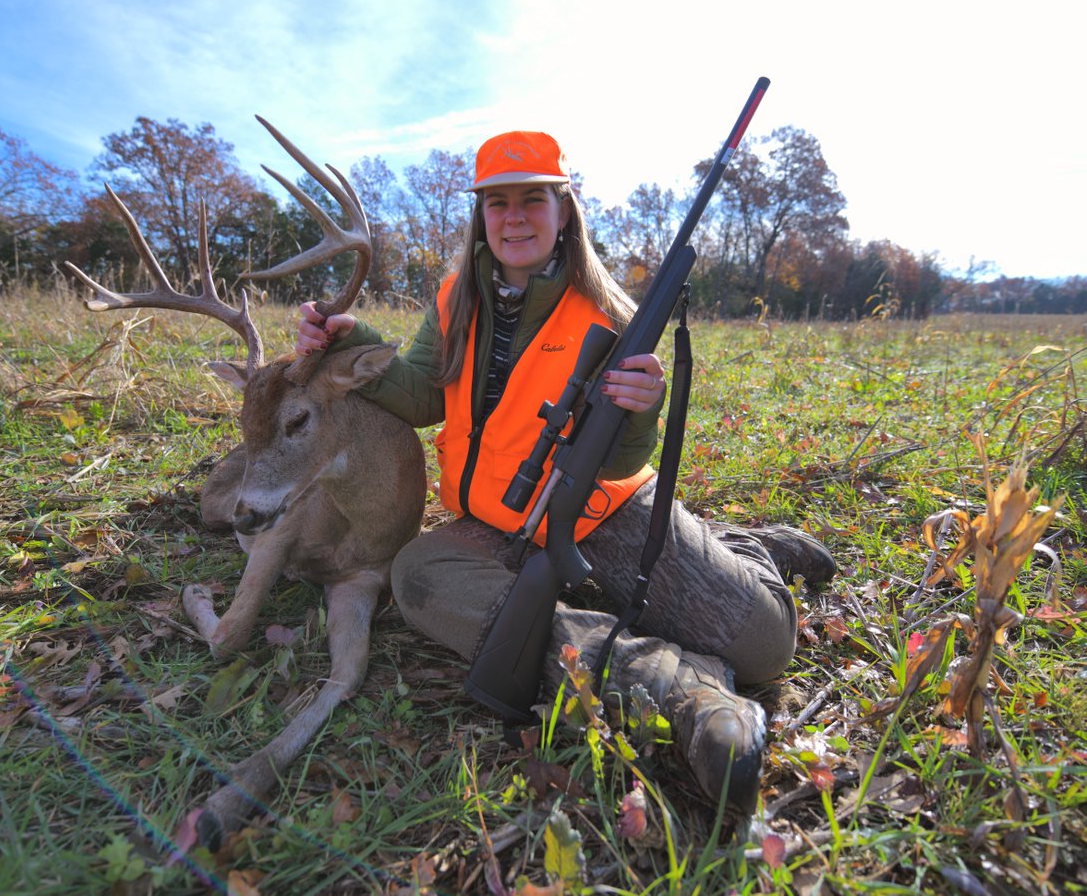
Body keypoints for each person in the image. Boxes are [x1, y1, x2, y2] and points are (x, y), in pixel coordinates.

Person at [295, 130, 835, 814]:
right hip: (495, 523)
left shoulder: (609, 314)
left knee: (767, 647)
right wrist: (354, 343)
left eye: (533, 200)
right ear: (481, 216)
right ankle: (684, 694)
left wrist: (641, 409)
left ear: (563, 212)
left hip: (605, 513)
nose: (514, 217)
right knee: (419, 577)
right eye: (497, 203)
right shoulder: (453, 298)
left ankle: (743, 545)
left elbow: (624, 459)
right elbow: (422, 396)